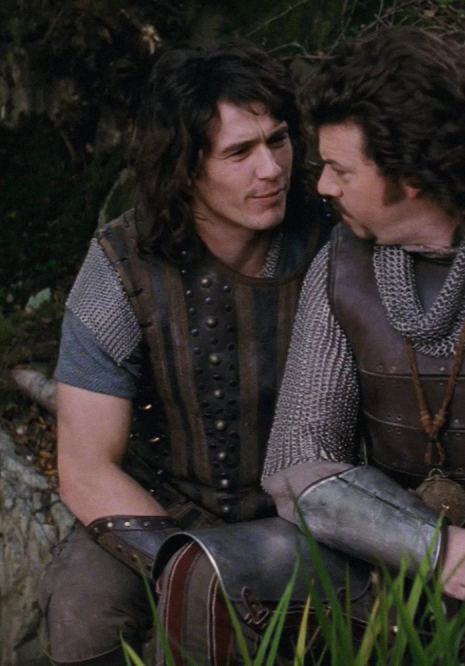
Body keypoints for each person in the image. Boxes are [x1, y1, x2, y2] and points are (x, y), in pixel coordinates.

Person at [154, 25, 465, 662]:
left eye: (341, 170)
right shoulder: (343, 264)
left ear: (410, 175)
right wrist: (430, 546)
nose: (322, 186)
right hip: (397, 565)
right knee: (204, 571)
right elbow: (297, 468)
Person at [40, 40, 332, 666]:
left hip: (303, 517)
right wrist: (188, 567)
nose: (271, 169)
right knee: (83, 616)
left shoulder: (333, 236)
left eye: (278, 140)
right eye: (239, 152)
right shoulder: (121, 264)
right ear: (185, 167)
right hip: (157, 507)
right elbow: (86, 468)